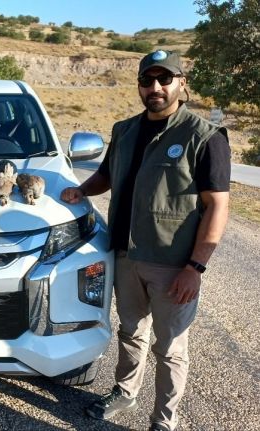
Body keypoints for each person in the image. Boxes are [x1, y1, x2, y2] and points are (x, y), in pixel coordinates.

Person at [60, 50, 230, 431]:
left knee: (170, 349)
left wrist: (195, 268)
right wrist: (80, 191)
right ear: (138, 85)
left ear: (182, 83)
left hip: (173, 264)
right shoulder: (124, 130)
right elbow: (105, 175)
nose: (155, 87)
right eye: (147, 80)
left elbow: (217, 206)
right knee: (130, 332)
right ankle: (124, 392)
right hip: (126, 256)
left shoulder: (204, 136)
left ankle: (163, 421)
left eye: (164, 79)